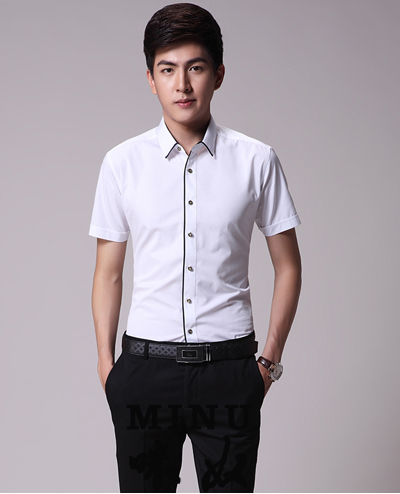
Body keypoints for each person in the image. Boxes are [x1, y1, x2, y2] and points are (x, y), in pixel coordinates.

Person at [90, 3, 302, 492]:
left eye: (196, 68)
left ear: (218, 74)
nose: (182, 84)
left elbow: (288, 266)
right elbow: (108, 272)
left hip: (229, 372)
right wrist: (107, 367)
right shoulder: (121, 164)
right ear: (151, 79)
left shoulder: (257, 160)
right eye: (167, 70)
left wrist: (267, 364)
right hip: (144, 372)